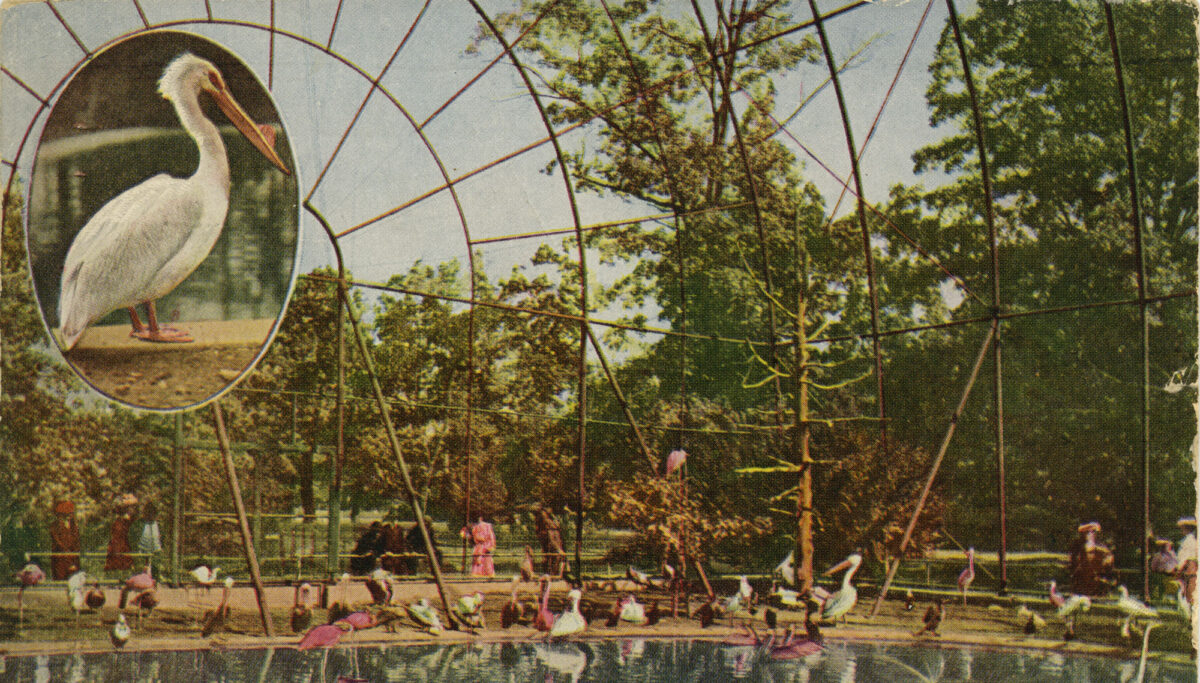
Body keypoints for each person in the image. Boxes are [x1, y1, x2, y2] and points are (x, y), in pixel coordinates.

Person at [1068, 521, 1114, 596]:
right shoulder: (1078, 548)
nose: (1090, 534)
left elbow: (1108, 563)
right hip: (1081, 583)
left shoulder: (1102, 549)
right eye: (1087, 532)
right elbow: (1073, 564)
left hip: (1096, 583)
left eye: (1093, 532)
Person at [49, 500, 81, 580]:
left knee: (73, 579)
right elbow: (57, 541)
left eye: (71, 513)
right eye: (67, 513)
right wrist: (66, 551)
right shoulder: (55, 526)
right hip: (60, 557)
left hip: (73, 557)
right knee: (60, 578)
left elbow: (76, 541)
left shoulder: (74, 526)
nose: (70, 515)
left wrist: (75, 553)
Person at [105, 494, 138, 571]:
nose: (133, 509)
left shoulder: (129, 521)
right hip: (119, 547)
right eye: (131, 507)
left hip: (124, 547)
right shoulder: (120, 522)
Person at [534, 505, 567, 578]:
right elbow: (551, 540)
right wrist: (559, 550)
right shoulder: (546, 521)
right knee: (551, 560)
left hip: (555, 545)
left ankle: (554, 576)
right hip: (551, 547)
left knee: (557, 560)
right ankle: (551, 576)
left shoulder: (552, 520)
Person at [1176, 516, 1197, 606]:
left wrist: (1179, 570)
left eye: (1183, 528)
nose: (1181, 530)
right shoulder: (1187, 540)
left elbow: (1185, 557)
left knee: (1189, 595)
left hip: (1189, 569)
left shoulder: (1189, 541)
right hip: (1187, 569)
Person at [136, 502, 162, 567]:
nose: (151, 515)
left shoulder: (158, 525)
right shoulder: (140, 523)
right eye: (149, 512)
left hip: (156, 552)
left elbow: (162, 538)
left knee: (155, 570)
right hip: (142, 553)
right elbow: (134, 537)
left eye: (153, 512)